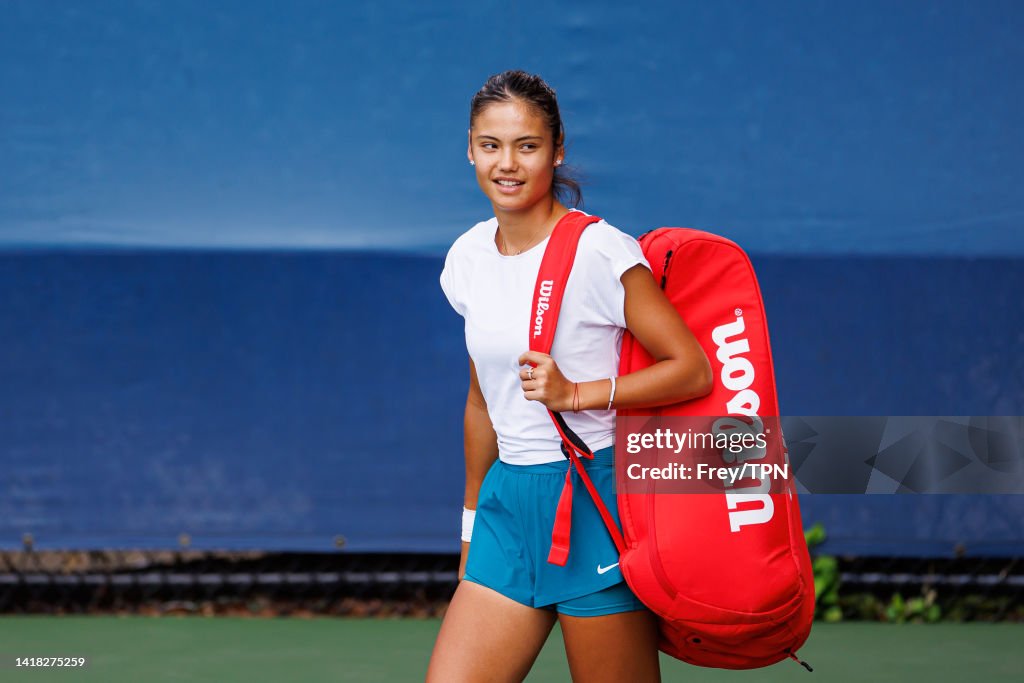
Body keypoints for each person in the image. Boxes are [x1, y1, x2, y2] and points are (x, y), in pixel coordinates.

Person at [426, 70, 713, 683]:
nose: (507, 163)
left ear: (557, 151)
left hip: (593, 504)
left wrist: (578, 393)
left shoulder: (601, 252)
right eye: (491, 145)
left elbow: (690, 369)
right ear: (470, 149)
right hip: (508, 509)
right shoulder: (467, 259)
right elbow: (483, 402)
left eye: (527, 145)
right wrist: (473, 526)